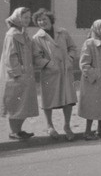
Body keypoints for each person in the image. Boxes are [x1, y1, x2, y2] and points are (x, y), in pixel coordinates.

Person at [0, 7, 39, 140]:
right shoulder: (12, 34)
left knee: (24, 103)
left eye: (29, 17)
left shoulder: (23, 33)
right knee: (15, 104)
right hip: (16, 76)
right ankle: (14, 131)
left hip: (26, 73)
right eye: (25, 17)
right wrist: (17, 73)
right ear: (17, 18)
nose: (27, 20)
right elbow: (10, 56)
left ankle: (18, 130)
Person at [31, 8, 78, 141]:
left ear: (50, 20)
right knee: (48, 100)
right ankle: (50, 126)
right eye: (39, 20)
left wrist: (70, 59)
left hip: (65, 71)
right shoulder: (37, 38)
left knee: (68, 100)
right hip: (50, 73)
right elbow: (36, 57)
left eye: (44, 19)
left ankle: (67, 126)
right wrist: (49, 64)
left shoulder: (63, 32)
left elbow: (73, 48)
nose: (42, 22)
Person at [78, 19, 101, 140]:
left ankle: (100, 130)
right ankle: (87, 131)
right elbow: (84, 64)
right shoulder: (89, 43)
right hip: (93, 82)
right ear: (95, 29)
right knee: (92, 106)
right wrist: (94, 75)